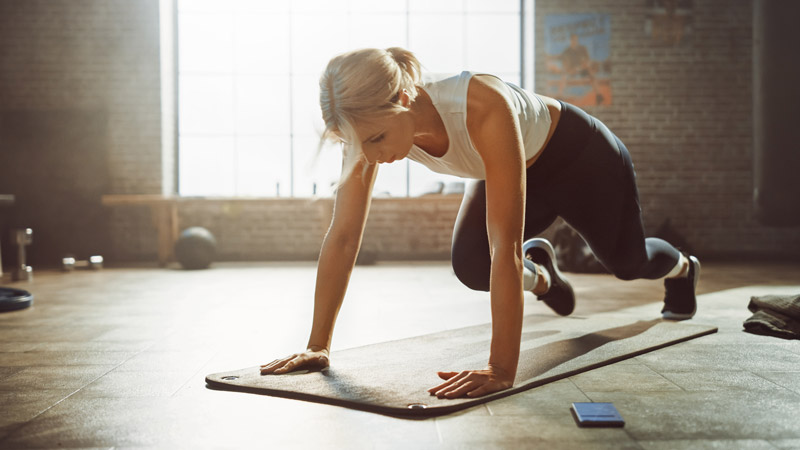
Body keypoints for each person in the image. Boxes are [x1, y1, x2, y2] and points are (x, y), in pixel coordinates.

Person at [260, 47, 700, 400]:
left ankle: (683, 268)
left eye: (376, 139)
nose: (370, 156)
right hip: (506, 167)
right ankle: (544, 277)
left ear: (405, 97)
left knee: (626, 261)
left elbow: (504, 245)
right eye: (359, 144)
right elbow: (342, 237)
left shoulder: (480, 104)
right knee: (471, 266)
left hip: (581, 160)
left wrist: (501, 368)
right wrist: (318, 345)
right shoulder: (364, 127)